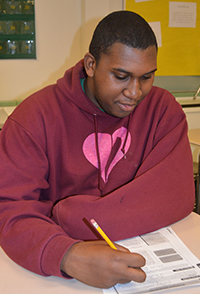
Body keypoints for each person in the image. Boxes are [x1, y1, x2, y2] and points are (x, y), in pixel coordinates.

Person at [0, 10, 195, 289]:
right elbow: (9, 211)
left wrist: (71, 216)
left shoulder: (163, 111)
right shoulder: (33, 118)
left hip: (145, 260)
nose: (135, 92)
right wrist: (68, 255)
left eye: (147, 77)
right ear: (91, 64)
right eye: (121, 76)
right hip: (53, 276)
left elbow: (177, 196)